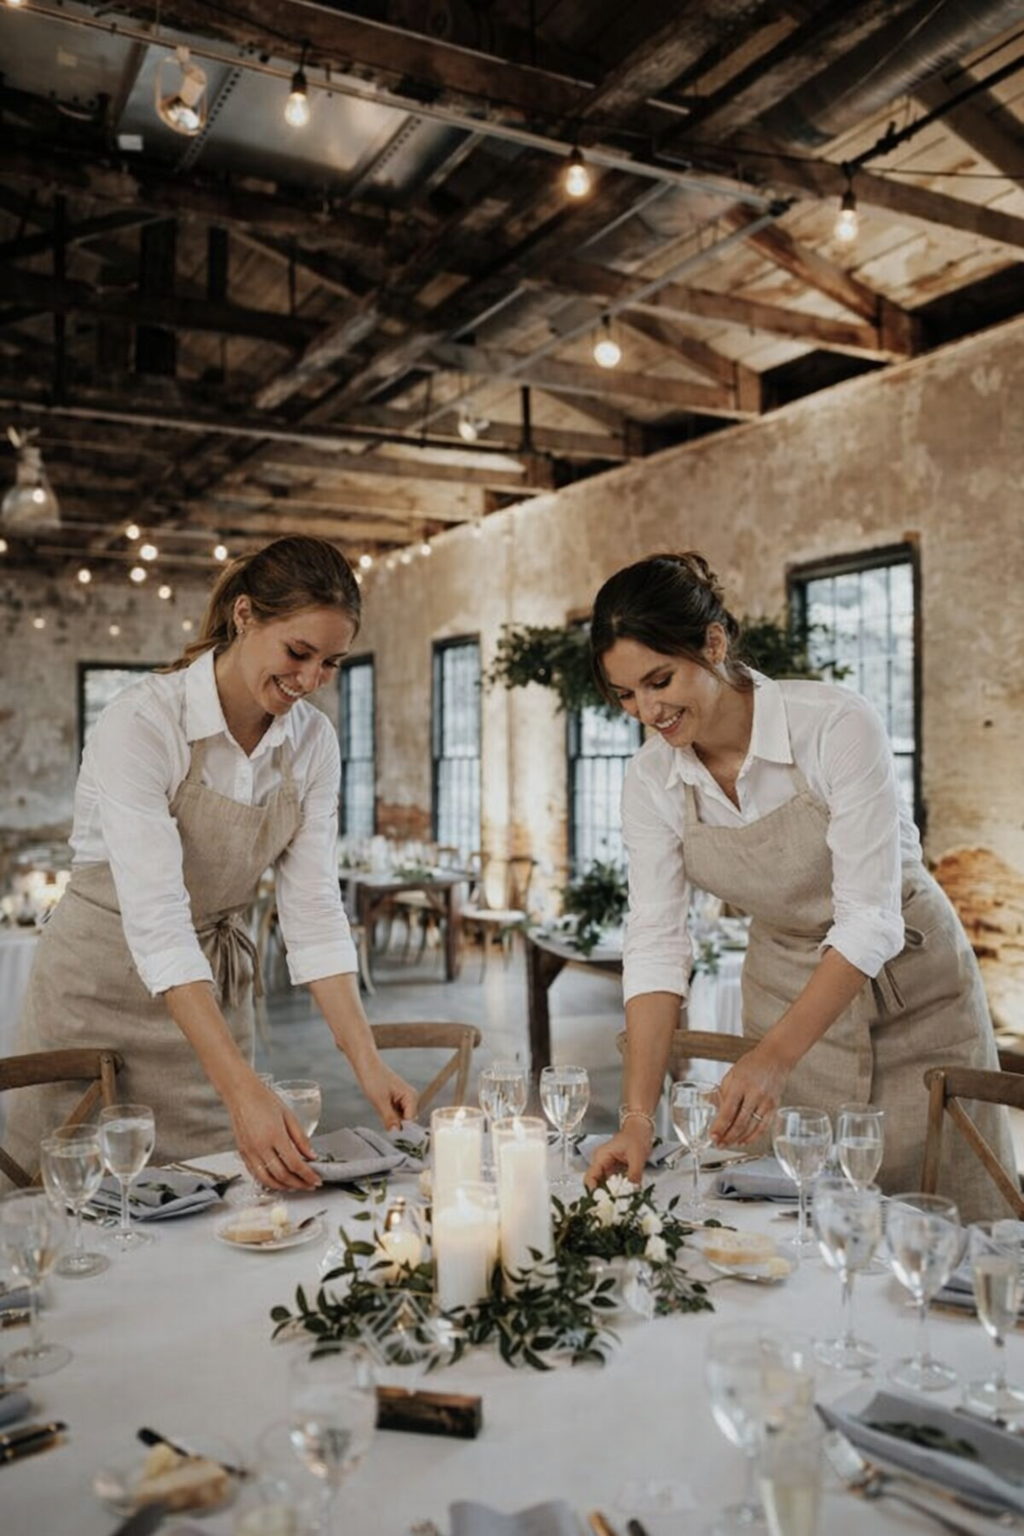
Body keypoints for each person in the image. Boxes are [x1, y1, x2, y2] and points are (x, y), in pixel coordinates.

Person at [585, 552, 1015, 1222]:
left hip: (916, 1003)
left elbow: (871, 918)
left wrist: (769, 1059)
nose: (648, 710)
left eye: (659, 680)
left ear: (714, 643)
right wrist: (638, 1117)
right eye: (626, 695)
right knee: (799, 1230)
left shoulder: (835, 725)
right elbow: (655, 944)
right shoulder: (651, 782)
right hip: (786, 996)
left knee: (945, 1231)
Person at [6, 537, 416, 1191]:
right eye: (298, 653)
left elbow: (311, 910)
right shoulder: (143, 722)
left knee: (219, 1206)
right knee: (70, 1214)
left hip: (207, 1006)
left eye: (331, 664)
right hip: (93, 995)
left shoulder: (312, 743)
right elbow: (159, 919)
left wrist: (368, 1064)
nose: (309, 681)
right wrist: (240, 1088)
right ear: (245, 616)